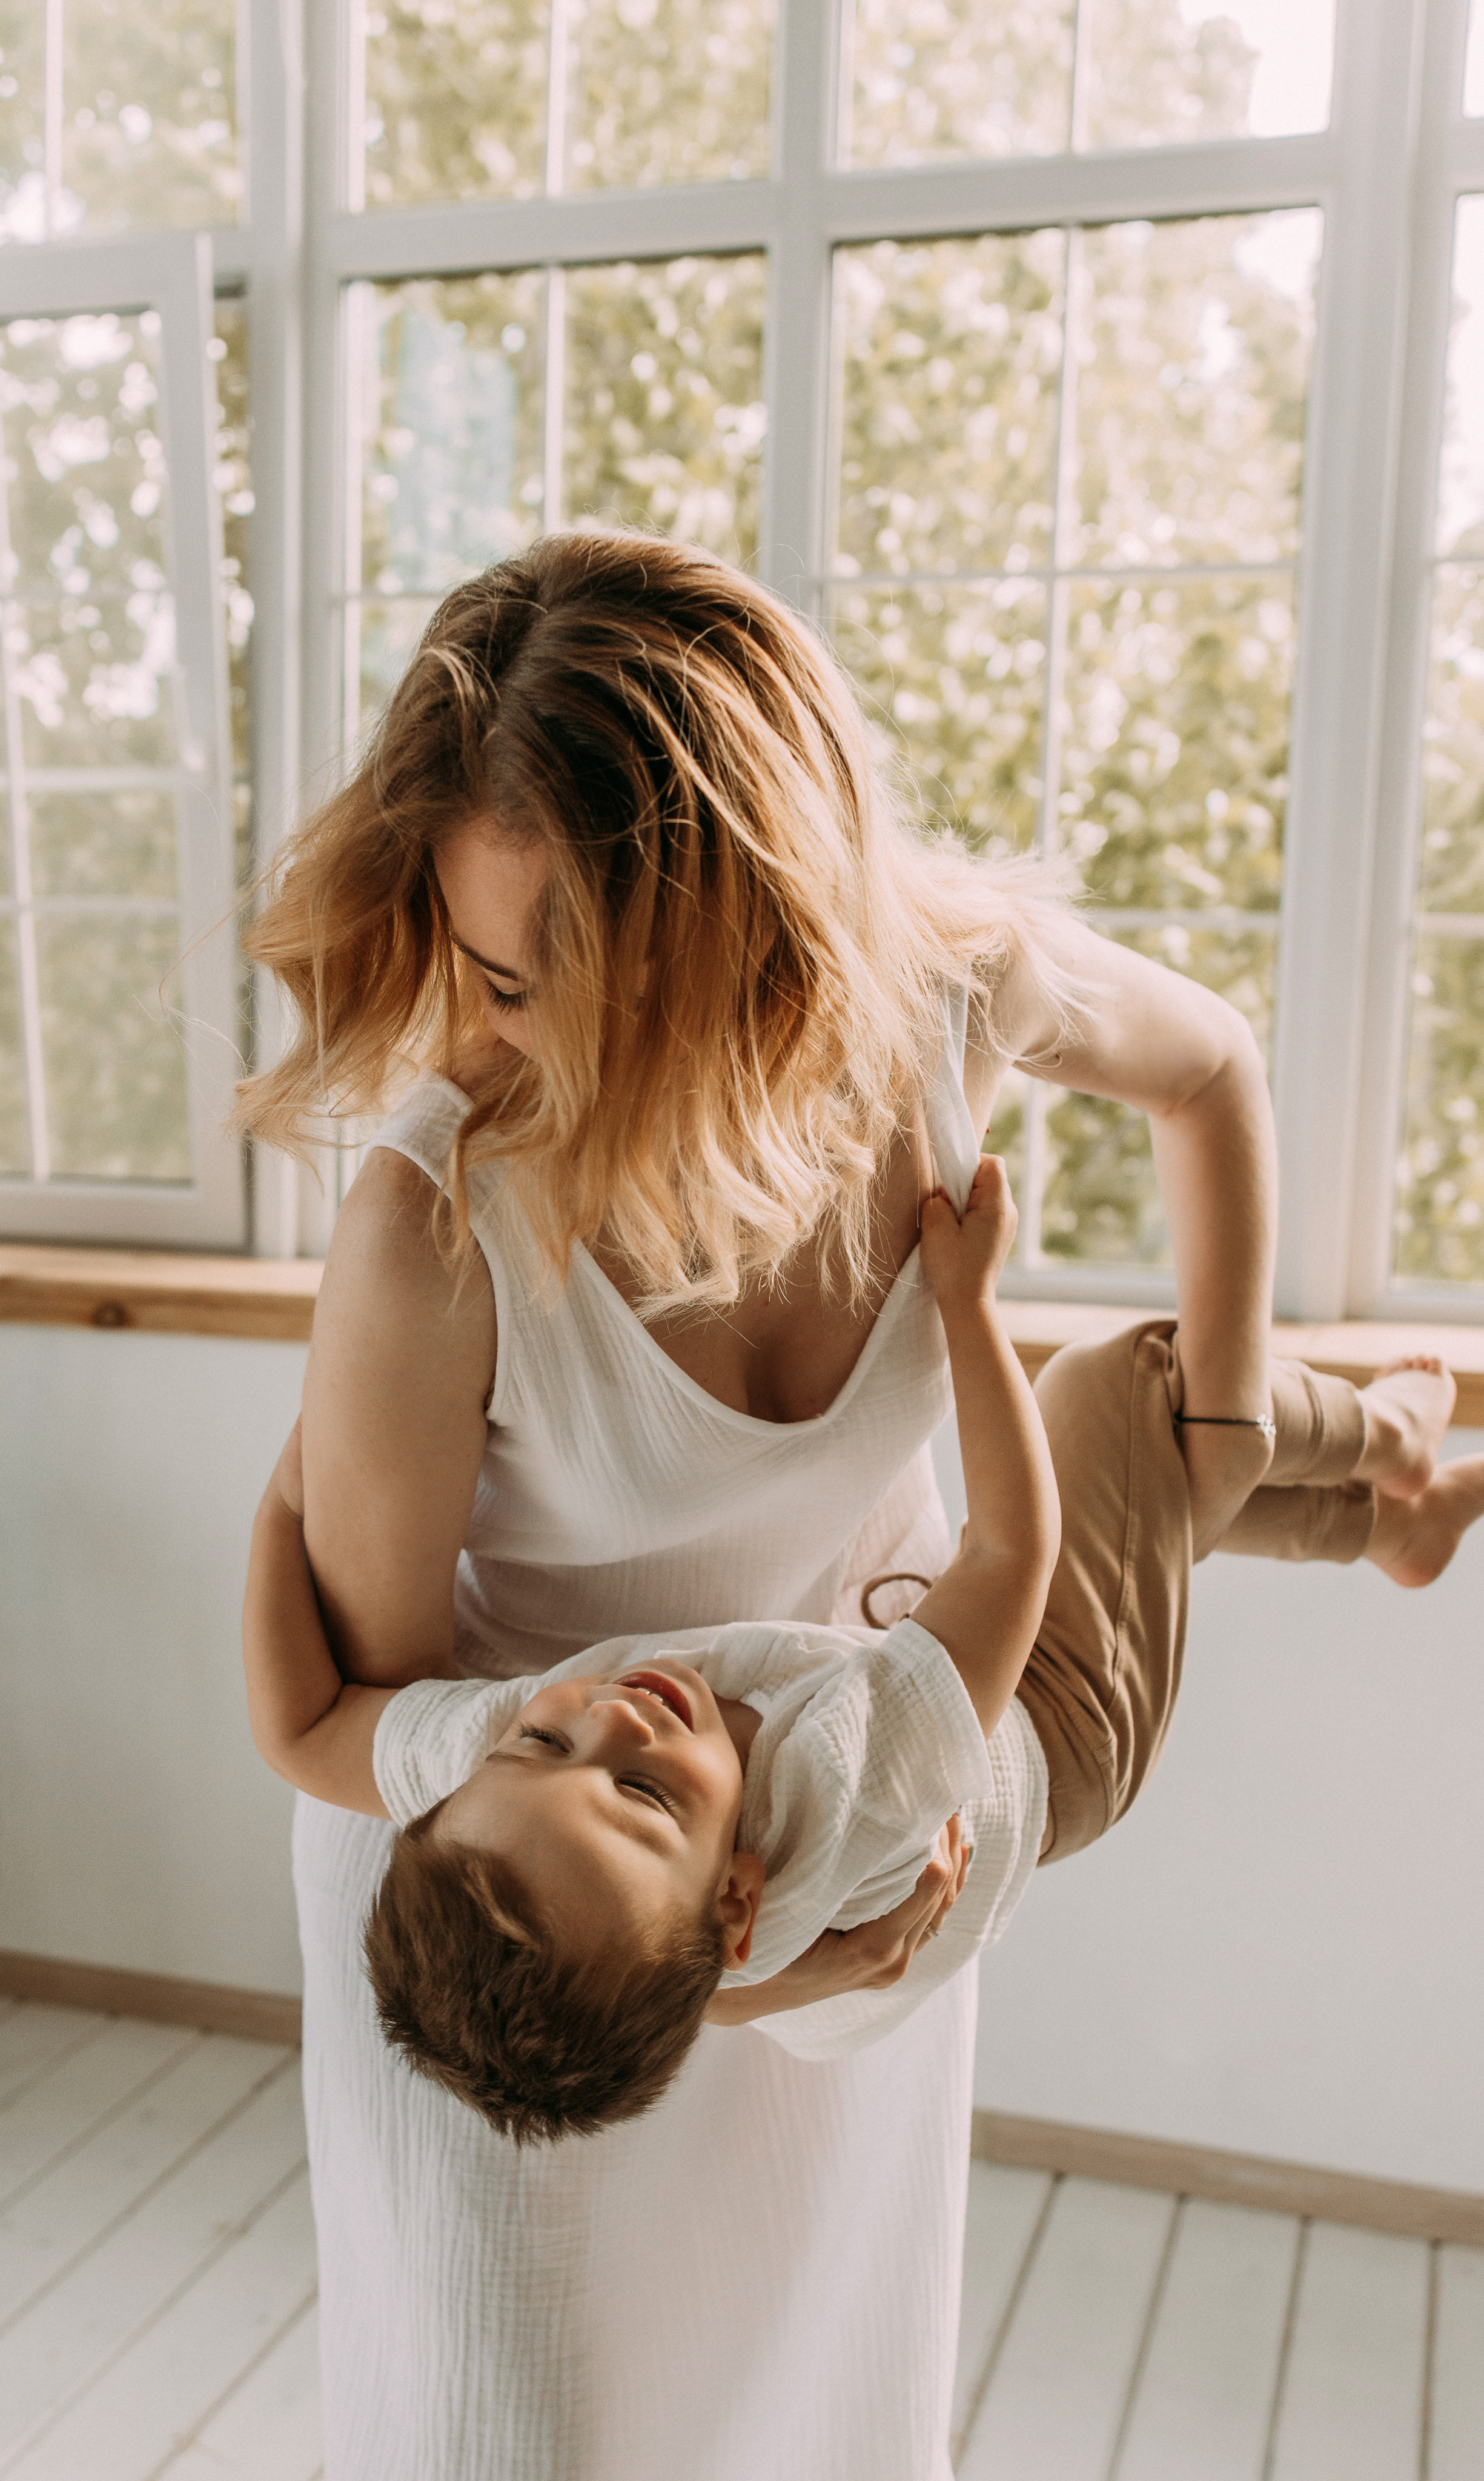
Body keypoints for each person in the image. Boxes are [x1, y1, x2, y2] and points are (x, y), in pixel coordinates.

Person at [234, 529, 1364, 2480]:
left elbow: (1213, 1073)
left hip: (822, 1859)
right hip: (531, 1919)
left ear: (755, 950)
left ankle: (1376, 1475)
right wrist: (693, 1958)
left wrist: (1235, 1426)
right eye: (486, 972)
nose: (498, 1044)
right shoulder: (433, 1223)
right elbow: (362, 1734)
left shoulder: (938, 1004)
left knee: (818, 2408)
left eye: (566, 987)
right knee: (520, 2434)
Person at [242, 1149, 1483, 2148]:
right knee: (1126, 1388)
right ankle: (1391, 1433)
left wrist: (293, 1493)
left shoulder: (525, 1810)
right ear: (738, 1895)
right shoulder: (838, 1775)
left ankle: (1391, 1526)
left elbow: (300, 1727)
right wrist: (966, 1303)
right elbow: (1011, 1552)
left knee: (1150, 1486)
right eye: (642, 1789)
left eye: (541, 1735)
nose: (611, 1715)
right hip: (1060, 1713)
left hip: (915, 1714)